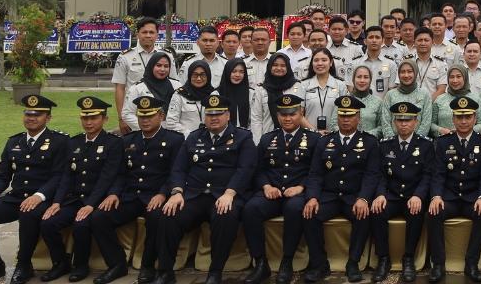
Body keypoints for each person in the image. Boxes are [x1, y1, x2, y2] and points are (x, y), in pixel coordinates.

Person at [156, 92, 257, 284]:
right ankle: (165, 271)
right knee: (168, 215)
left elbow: (246, 169)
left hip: (225, 194)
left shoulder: (243, 137)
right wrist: (177, 192)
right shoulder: (194, 137)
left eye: (219, 114)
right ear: (205, 116)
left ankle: (215, 271)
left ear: (228, 115)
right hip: (194, 195)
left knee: (225, 217)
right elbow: (179, 168)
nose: (214, 118)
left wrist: (230, 193)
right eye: (210, 114)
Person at [0, 95, 68, 284]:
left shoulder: (59, 141)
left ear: (48, 118)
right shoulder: (14, 142)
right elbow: (3, 176)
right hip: (16, 197)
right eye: (28, 113)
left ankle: (24, 264)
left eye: (37, 114)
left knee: (28, 211)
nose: (31, 118)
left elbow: (59, 176)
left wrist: (39, 195)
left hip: (44, 198)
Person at [89, 95, 184, 284]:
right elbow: (121, 173)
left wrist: (163, 193)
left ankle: (148, 266)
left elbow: (175, 172)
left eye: (149, 116)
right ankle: (116, 264)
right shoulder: (127, 141)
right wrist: (114, 193)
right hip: (131, 196)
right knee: (99, 217)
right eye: (141, 117)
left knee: (157, 218)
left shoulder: (174, 140)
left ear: (161, 116)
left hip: (156, 195)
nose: (145, 120)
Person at [38, 96, 123, 283]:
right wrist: (57, 202)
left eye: (94, 118)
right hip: (74, 198)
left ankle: (81, 265)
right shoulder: (74, 142)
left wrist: (91, 205)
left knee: (81, 224)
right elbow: (66, 176)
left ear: (104, 119)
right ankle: (60, 263)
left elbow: (107, 177)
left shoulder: (113, 143)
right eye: (85, 118)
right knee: (48, 222)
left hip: (97, 199)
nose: (89, 122)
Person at [239, 92, 320, 284]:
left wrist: (301, 187)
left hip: (297, 193)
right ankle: (261, 263)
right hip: (272, 191)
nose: (287, 118)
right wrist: (266, 186)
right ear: (277, 116)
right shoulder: (268, 139)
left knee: (294, 209)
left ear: (301, 113)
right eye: (283, 114)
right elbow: (258, 169)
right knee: (250, 209)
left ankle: (287, 262)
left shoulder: (314, 140)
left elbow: (317, 172)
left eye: (292, 113)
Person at [303, 95, 382, 283]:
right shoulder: (324, 141)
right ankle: (319, 264)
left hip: (353, 196)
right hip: (329, 196)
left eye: (350, 116)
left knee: (363, 214)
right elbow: (315, 174)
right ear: (337, 117)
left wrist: (363, 198)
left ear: (358, 117)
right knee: (308, 213)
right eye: (342, 116)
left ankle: (353, 263)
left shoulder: (370, 143)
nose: (346, 120)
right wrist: (312, 197)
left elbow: (372, 175)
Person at [427, 95, 481, 284]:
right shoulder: (442, 142)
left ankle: (472, 263)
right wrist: (436, 196)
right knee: (433, 212)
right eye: (459, 117)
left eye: (467, 117)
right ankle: (438, 264)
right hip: (448, 198)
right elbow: (438, 174)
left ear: (474, 118)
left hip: (473, 198)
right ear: (453, 119)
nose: (463, 121)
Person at [371, 101, 435, 284]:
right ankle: (383, 259)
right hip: (390, 195)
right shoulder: (385, 145)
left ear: (416, 121)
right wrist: (380, 194)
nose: (404, 124)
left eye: (408, 120)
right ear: (394, 122)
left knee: (416, 212)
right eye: (399, 120)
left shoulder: (425, 145)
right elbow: (380, 175)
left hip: (412, 196)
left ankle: (409, 259)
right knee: (377, 211)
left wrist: (418, 196)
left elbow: (427, 175)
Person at [112, 18, 164, 134]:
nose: (148, 35)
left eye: (152, 32)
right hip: (134, 115)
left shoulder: (165, 55)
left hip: (160, 115)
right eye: (144, 32)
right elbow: (120, 88)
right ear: (137, 34)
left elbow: (174, 86)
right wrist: (121, 118)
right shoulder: (125, 57)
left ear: (157, 35)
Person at [120, 51, 177, 132]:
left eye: (166, 66)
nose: (162, 69)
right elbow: (127, 114)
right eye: (158, 65)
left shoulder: (177, 86)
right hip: (147, 135)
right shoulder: (138, 88)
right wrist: (148, 127)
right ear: (151, 66)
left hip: (173, 133)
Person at [433, 65, 481, 137]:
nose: (455, 80)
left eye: (458, 76)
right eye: (452, 77)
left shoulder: (475, 99)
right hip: (444, 143)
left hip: (470, 144)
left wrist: (465, 132)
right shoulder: (440, 99)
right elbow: (431, 124)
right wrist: (441, 130)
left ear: (465, 78)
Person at [381, 60, 436, 137]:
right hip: (393, 144)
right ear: (398, 75)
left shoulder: (424, 94)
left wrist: (415, 142)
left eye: (409, 71)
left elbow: (426, 122)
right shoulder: (390, 95)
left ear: (415, 73)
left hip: (418, 144)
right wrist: (393, 143)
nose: (406, 75)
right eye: (402, 72)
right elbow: (385, 122)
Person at [218, 58, 269, 142]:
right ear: (227, 72)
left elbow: (255, 119)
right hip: (223, 139)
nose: (237, 75)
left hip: (246, 138)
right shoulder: (217, 94)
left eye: (241, 72)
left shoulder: (251, 93)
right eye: (234, 71)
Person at [163, 60, 214, 135]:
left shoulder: (213, 94)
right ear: (189, 76)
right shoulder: (179, 95)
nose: (199, 79)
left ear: (208, 76)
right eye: (195, 75)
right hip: (186, 141)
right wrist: (190, 134)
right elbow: (171, 123)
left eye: (202, 75)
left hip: (210, 140)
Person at [346, 64, 388, 135]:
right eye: (359, 77)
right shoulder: (344, 101)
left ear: (370, 80)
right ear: (353, 79)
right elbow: (334, 124)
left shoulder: (378, 102)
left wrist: (365, 136)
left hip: (371, 144)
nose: (362, 80)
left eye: (366, 77)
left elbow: (382, 126)